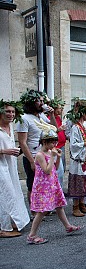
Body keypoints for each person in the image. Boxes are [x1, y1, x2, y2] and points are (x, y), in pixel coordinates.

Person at [27, 120, 82, 245]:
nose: (54, 144)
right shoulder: (40, 155)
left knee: (59, 205)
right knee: (42, 211)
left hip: (52, 184)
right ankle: (32, 234)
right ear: (44, 142)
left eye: (54, 141)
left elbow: (55, 168)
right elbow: (46, 170)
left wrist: (56, 157)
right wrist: (52, 156)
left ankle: (68, 226)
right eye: (51, 142)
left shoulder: (49, 152)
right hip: (43, 186)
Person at [17, 89, 56, 208]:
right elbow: (23, 143)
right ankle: (34, 210)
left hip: (45, 154)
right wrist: (31, 161)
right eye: (39, 101)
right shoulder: (24, 119)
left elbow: (54, 129)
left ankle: (44, 206)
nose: (42, 103)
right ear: (31, 102)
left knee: (45, 183)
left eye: (42, 101)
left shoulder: (42, 116)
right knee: (33, 184)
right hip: (33, 156)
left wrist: (52, 115)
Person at [0, 100, 30, 238]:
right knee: (4, 195)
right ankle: (3, 228)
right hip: (1, 167)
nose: (11, 114)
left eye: (13, 111)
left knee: (14, 192)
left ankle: (13, 221)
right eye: (7, 111)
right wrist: (4, 151)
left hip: (9, 165)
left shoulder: (10, 127)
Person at [66, 100, 86, 217]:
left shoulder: (83, 127)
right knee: (77, 183)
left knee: (83, 182)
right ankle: (75, 207)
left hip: (84, 160)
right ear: (83, 113)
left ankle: (82, 204)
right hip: (77, 160)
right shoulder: (75, 127)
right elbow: (73, 144)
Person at [48, 97, 67, 190]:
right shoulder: (49, 118)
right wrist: (59, 130)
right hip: (56, 147)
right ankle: (57, 190)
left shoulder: (58, 118)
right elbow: (50, 132)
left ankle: (60, 189)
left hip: (62, 145)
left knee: (62, 169)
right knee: (58, 170)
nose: (61, 109)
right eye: (59, 108)